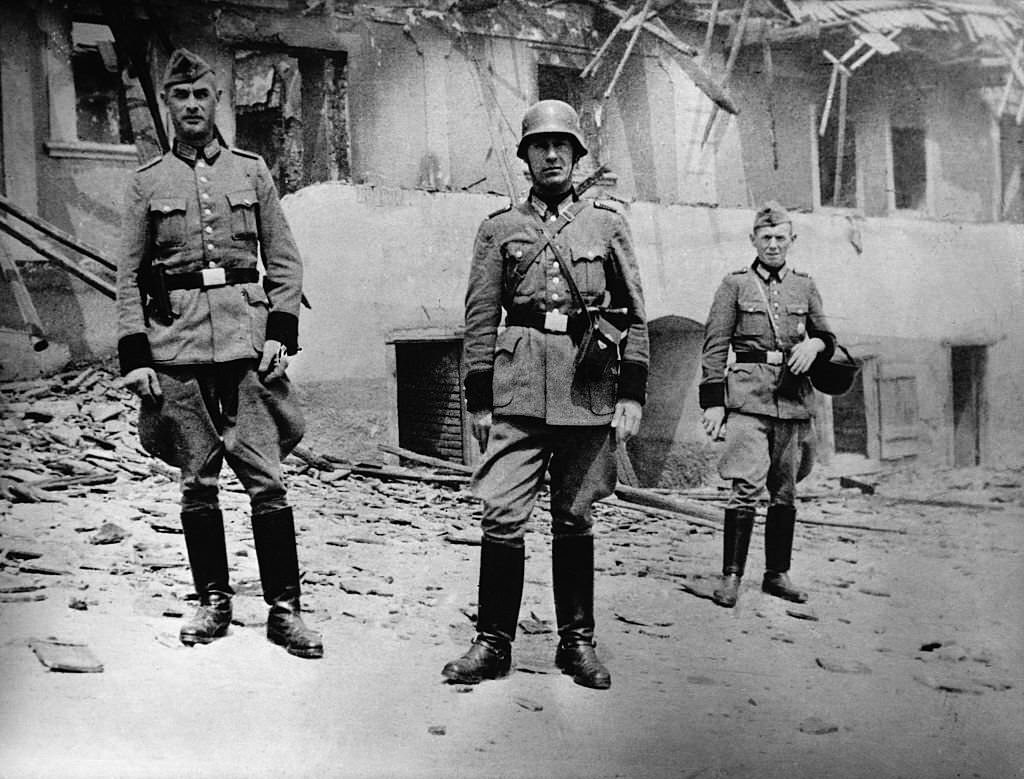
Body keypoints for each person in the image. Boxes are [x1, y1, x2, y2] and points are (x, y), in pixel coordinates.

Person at [115, 48, 322, 659]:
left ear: (216, 101)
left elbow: (284, 261)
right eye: (179, 97)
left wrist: (280, 333)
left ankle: (286, 611)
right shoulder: (147, 182)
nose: (191, 107)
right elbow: (128, 277)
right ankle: (213, 603)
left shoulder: (251, 172)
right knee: (196, 483)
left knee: (268, 483)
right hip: (176, 347)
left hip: (246, 346)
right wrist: (137, 357)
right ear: (169, 106)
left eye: (201, 95)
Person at [442, 100, 649, 689]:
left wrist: (631, 394)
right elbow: (480, 316)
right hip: (519, 387)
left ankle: (576, 642)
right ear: (526, 158)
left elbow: (635, 316)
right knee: (502, 513)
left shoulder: (606, 225)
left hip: (587, 388)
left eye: (563, 145)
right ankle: (492, 643)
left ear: (578, 156)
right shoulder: (499, 229)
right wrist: (478, 396)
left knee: (575, 516)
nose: (552, 154)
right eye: (541, 146)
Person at [698, 201, 835, 609]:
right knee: (745, 487)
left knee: (785, 491)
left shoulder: (805, 286)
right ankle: (731, 576)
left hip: (793, 402)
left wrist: (815, 342)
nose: (773, 244)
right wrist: (713, 403)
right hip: (748, 399)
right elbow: (715, 347)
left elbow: (828, 336)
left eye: (780, 238)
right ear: (753, 239)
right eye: (765, 237)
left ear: (792, 240)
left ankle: (777, 574)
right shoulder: (734, 285)